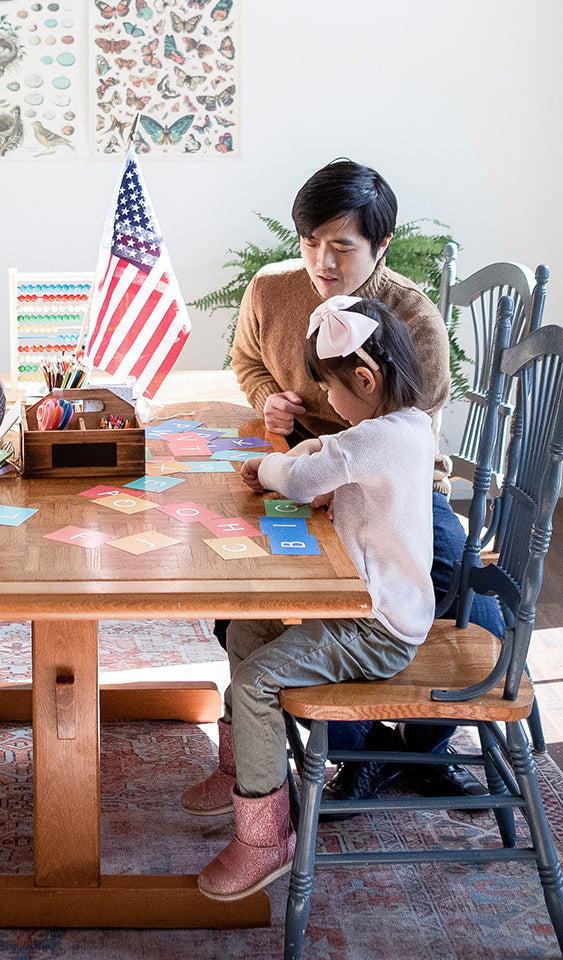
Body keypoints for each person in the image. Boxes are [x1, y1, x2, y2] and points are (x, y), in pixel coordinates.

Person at [191, 159, 501, 815]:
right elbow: (246, 360)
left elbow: (410, 438)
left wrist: (332, 477)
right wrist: (267, 398)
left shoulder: (410, 319)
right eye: (310, 244)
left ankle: (409, 748)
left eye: (342, 248)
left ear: (381, 246)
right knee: (237, 585)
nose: (322, 264)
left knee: (454, 578)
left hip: (397, 489)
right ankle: (332, 743)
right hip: (304, 470)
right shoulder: (271, 291)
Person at [197, 296, 435, 901]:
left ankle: (264, 839)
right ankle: (242, 765)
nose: (326, 403)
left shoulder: (375, 438)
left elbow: (304, 476)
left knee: (255, 681)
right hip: (363, 607)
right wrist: (298, 464)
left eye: (330, 391)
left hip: (377, 628)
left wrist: (271, 471)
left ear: (365, 378)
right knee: (247, 633)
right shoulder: (400, 429)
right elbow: (331, 468)